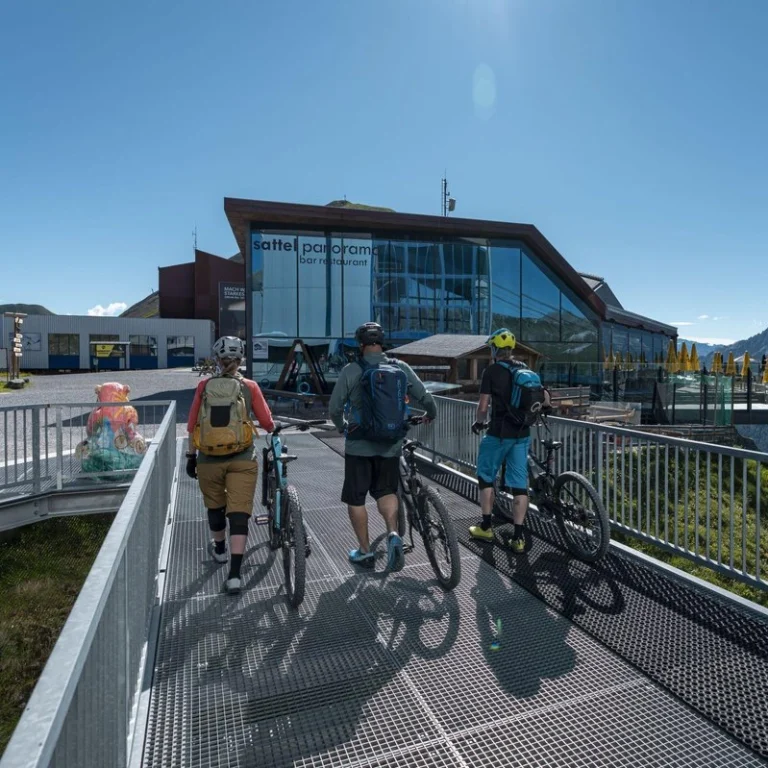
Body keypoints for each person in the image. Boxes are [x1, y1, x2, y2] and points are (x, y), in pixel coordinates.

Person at [329, 322, 437, 570]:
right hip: (390, 444)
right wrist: (431, 412)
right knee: (387, 491)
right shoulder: (400, 367)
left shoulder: (351, 370)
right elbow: (424, 396)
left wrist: (342, 426)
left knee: (356, 498)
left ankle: (365, 551)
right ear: (382, 342)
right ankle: (393, 534)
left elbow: (335, 408)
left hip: (358, 445)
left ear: (360, 344)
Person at [186, 336, 275, 594]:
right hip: (242, 458)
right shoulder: (249, 386)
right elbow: (267, 422)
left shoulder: (204, 386)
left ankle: (220, 550)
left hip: (208, 459)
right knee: (239, 512)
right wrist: (272, 426)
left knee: (215, 505)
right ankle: (235, 575)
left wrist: (191, 457)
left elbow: (192, 426)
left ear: (217, 360)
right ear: (241, 359)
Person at [469, 328, 550, 553]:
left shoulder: (491, 371)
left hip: (498, 433)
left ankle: (486, 527)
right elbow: (544, 396)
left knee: (485, 477)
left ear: (495, 350)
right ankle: (518, 538)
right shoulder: (524, 368)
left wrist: (478, 423)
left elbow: (483, 406)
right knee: (519, 485)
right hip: (522, 434)